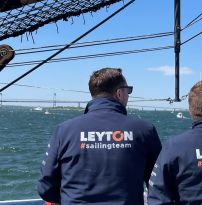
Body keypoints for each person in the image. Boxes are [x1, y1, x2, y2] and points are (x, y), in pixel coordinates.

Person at [38, 68, 162, 205]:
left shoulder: (63, 131)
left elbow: (45, 188)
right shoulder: (145, 130)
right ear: (119, 93)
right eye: (129, 90)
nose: (128, 95)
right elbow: (159, 185)